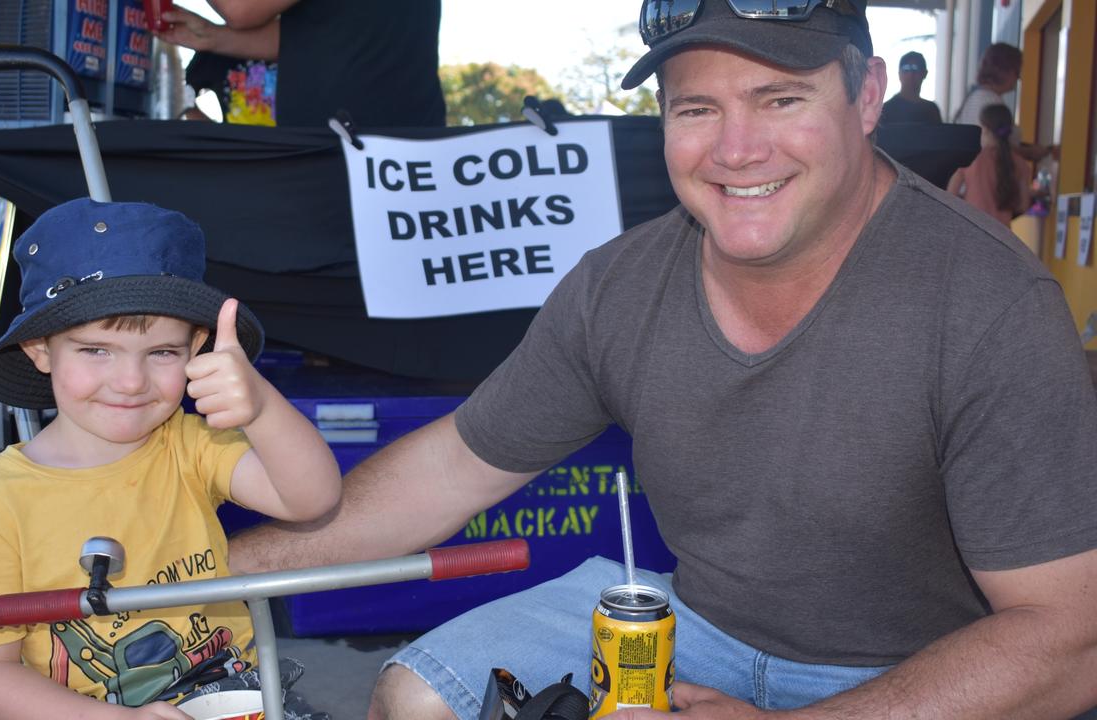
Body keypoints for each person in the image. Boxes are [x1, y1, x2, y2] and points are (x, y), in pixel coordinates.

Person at [227, 1, 1097, 719]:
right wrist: (202, 575)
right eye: (696, 108)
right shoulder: (622, 284)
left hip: (911, 669)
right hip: (692, 623)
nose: (737, 148)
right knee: (416, 700)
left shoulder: (989, 304)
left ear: (866, 97)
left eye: (780, 99)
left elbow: (1071, 640)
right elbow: (451, 466)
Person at [0, 199, 342, 719]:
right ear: (41, 350)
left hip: (233, 698)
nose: (132, 382)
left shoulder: (192, 445)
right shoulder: (0, 499)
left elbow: (312, 498)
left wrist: (262, 406)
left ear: (196, 346)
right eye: (96, 350)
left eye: (162, 353)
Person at [156, 0, 445, 128]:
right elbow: (321, 35)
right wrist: (212, 37)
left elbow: (239, 6)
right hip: (370, 147)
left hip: (361, 151)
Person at [947, 104, 1034, 226]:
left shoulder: (969, 160)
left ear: (984, 129)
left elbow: (950, 198)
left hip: (973, 231)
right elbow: (1023, 206)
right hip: (1003, 236)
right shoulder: (1021, 164)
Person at [951, 42, 1021, 126]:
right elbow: (1000, 138)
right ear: (1003, 70)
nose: (1019, 78)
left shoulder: (976, 96)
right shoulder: (992, 103)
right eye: (1017, 72)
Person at [878, 51, 941, 125]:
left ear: (925, 73)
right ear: (899, 74)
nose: (910, 74)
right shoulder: (886, 110)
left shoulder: (931, 110)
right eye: (906, 69)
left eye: (915, 69)